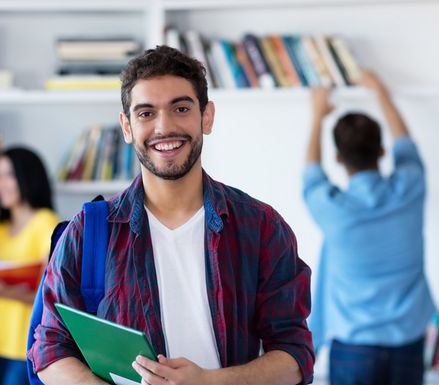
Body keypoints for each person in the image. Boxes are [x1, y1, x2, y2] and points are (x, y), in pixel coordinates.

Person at [28, 45, 314, 385]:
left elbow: (295, 356)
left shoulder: (261, 227)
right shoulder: (88, 230)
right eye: (146, 113)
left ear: (206, 116)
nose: (164, 127)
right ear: (127, 126)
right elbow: (49, 350)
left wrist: (209, 381)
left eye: (180, 108)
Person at [303, 71, 435, 385]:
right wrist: (380, 91)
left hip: (354, 347)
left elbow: (311, 173)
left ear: (338, 157)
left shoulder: (332, 209)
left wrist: (317, 116)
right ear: (382, 151)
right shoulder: (411, 188)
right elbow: (406, 144)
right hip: (408, 343)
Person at [0, 147, 60, 385]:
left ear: (27, 177)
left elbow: (49, 296)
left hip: (24, 346)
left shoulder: (46, 224)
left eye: (8, 175)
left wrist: (0, 290)